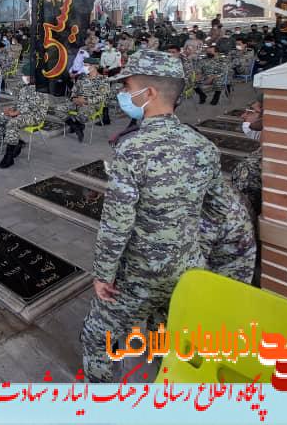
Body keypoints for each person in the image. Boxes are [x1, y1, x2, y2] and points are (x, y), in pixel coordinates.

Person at [80, 50, 220, 383]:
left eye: (128, 88)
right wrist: (193, 253)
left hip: (139, 274)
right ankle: (166, 388)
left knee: (98, 339)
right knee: (166, 335)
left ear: (150, 93)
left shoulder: (132, 149)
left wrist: (103, 274)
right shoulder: (205, 147)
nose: (124, 95)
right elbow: (216, 214)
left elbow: (117, 223)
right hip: (187, 271)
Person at [0, 60, 52, 169]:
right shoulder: (24, 86)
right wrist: (10, 109)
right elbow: (19, 102)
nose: (24, 77)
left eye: (26, 75)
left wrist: (15, 113)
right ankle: (17, 142)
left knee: (12, 123)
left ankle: (9, 157)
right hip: (20, 113)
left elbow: (32, 107)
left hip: (34, 116)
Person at [58, 59, 109, 141]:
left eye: (86, 65)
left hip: (92, 105)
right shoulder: (82, 78)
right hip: (77, 102)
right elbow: (74, 91)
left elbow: (103, 97)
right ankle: (76, 127)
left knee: (82, 114)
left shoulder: (103, 80)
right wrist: (74, 98)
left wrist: (86, 100)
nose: (84, 67)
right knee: (58, 109)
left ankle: (78, 125)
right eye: (84, 65)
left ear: (95, 66)